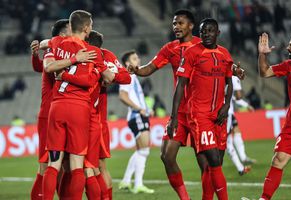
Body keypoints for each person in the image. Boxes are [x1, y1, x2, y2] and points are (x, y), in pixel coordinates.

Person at [129, 9, 244, 200]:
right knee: (166, 156)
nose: (176, 27)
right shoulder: (170, 49)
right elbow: (150, 67)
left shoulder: (204, 43)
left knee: (207, 164)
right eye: (174, 24)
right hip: (181, 112)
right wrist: (136, 70)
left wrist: (235, 71)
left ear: (191, 26)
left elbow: (223, 63)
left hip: (202, 111)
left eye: (180, 23)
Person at [42, 10, 114, 200]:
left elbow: (48, 65)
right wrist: (95, 69)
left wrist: (68, 62)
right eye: (90, 25)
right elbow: (110, 76)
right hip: (78, 110)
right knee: (77, 166)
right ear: (86, 28)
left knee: (53, 164)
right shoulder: (93, 52)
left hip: (56, 107)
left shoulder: (57, 43)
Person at [168, 18, 234, 200]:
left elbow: (230, 83)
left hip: (219, 114)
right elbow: (180, 86)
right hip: (199, 114)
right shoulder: (191, 53)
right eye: (203, 31)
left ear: (218, 33)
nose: (206, 34)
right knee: (213, 160)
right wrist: (174, 118)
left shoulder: (225, 54)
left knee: (216, 163)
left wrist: (226, 105)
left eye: (210, 31)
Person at [29, 19, 73, 200]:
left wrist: (35, 56)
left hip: (62, 112)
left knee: (64, 164)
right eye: (72, 29)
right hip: (49, 114)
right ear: (63, 34)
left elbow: (39, 67)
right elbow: (43, 66)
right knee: (46, 165)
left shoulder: (57, 52)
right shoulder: (53, 50)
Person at [258, 32, 291, 200]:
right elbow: (264, 72)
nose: (288, 47)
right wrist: (262, 54)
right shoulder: (289, 65)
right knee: (278, 160)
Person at [118, 50, 154, 194]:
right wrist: (139, 109)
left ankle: (126, 181)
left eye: (138, 57)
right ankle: (138, 184)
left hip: (137, 115)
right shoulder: (128, 75)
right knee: (144, 150)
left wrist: (146, 108)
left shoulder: (133, 77)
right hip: (136, 116)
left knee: (140, 150)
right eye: (134, 58)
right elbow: (122, 96)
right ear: (127, 63)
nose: (138, 60)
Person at [226, 75, 255, 176]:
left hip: (227, 113)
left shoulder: (217, 76)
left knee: (236, 131)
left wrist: (246, 105)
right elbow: (238, 96)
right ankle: (240, 167)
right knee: (227, 142)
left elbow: (233, 98)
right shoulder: (233, 78)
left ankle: (242, 158)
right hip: (226, 113)